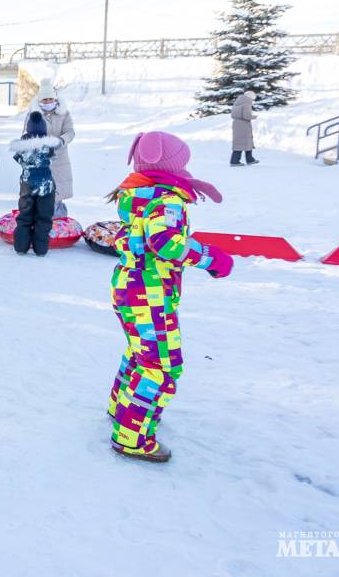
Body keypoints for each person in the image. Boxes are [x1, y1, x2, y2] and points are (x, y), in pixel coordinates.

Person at [105, 131, 233, 463]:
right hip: (150, 292)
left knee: (140, 354)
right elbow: (168, 243)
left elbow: (128, 236)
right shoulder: (167, 199)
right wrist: (212, 258)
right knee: (162, 367)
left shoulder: (136, 193)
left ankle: (124, 409)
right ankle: (131, 437)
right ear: (171, 165)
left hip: (128, 284)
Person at [10, 111, 61, 255]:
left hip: (27, 185)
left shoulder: (22, 145)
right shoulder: (49, 145)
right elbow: (52, 159)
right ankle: (40, 249)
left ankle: (21, 247)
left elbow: (18, 159)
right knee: (43, 218)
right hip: (46, 185)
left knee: (25, 216)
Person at [27, 78, 74, 216]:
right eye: (44, 100)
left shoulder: (64, 112)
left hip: (60, 158)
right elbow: (27, 133)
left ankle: (59, 221)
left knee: (58, 191)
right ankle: (41, 221)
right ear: (40, 100)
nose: (48, 102)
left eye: (50, 99)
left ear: (55, 99)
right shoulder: (33, 114)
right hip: (41, 158)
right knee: (42, 192)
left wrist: (61, 140)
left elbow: (70, 131)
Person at [230, 90, 259, 166]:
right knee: (246, 142)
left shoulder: (237, 102)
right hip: (244, 125)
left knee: (239, 143)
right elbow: (246, 116)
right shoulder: (247, 104)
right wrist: (255, 117)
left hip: (236, 124)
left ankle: (249, 159)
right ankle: (235, 161)